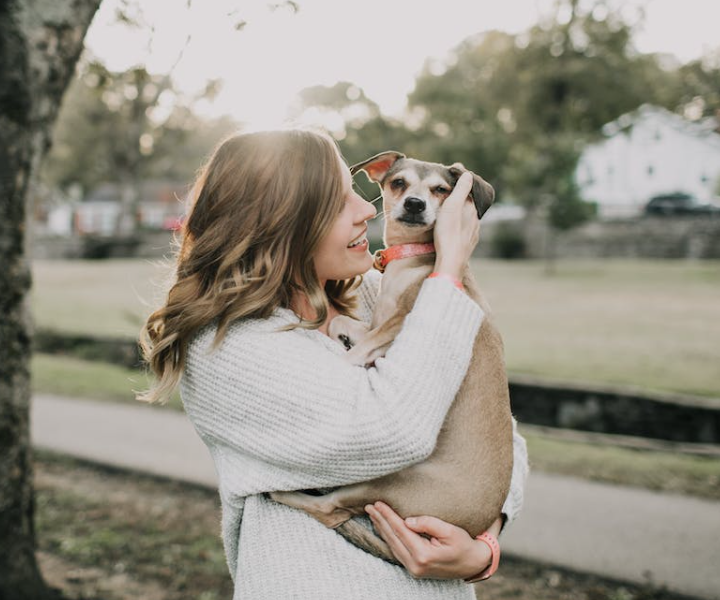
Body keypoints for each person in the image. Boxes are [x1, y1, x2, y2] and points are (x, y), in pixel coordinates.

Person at [140, 129, 529, 599]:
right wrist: (447, 271)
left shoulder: (371, 297)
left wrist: (484, 546)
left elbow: (495, 433)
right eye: (341, 200)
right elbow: (393, 428)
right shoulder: (227, 348)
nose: (368, 208)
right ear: (283, 222)